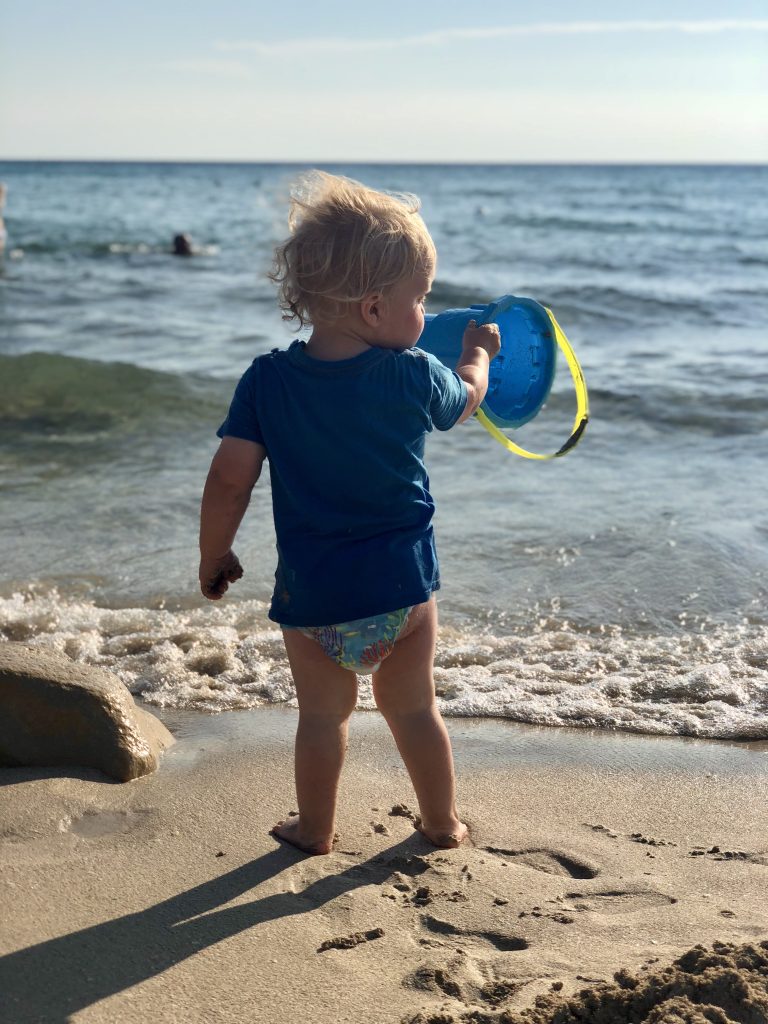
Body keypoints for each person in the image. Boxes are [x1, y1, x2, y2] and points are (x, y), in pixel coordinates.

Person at [198, 171, 500, 855]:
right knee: (414, 708)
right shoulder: (415, 372)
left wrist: (213, 556)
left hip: (313, 597)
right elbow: (467, 401)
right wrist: (478, 356)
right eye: (419, 298)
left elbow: (228, 481)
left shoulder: (266, 381)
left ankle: (317, 829)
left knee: (322, 719)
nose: (424, 313)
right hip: (401, 589)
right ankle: (441, 824)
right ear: (373, 309)